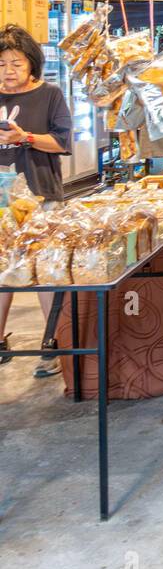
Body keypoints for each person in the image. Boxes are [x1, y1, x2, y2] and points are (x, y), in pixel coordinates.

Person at [0, 25, 73, 367]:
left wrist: (25, 137)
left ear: (32, 63)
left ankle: (51, 342)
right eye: (1, 64)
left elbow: (61, 143)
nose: (8, 71)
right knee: (2, 270)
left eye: (15, 63)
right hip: (2, 201)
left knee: (46, 270)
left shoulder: (50, 95)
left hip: (41, 194)